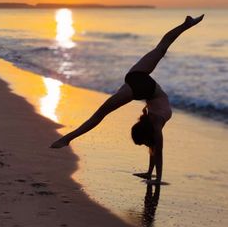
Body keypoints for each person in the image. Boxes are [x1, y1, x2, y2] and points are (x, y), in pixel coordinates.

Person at [51, 14, 204, 184]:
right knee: (99, 114)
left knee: (162, 48)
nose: (147, 146)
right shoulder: (156, 125)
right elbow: (158, 152)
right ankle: (67, 139)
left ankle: (186, 25)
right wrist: (157, 179)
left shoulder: (154, 124)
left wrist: (149, 173)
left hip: (138, 76)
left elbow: (154, 148)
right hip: (141, 86)